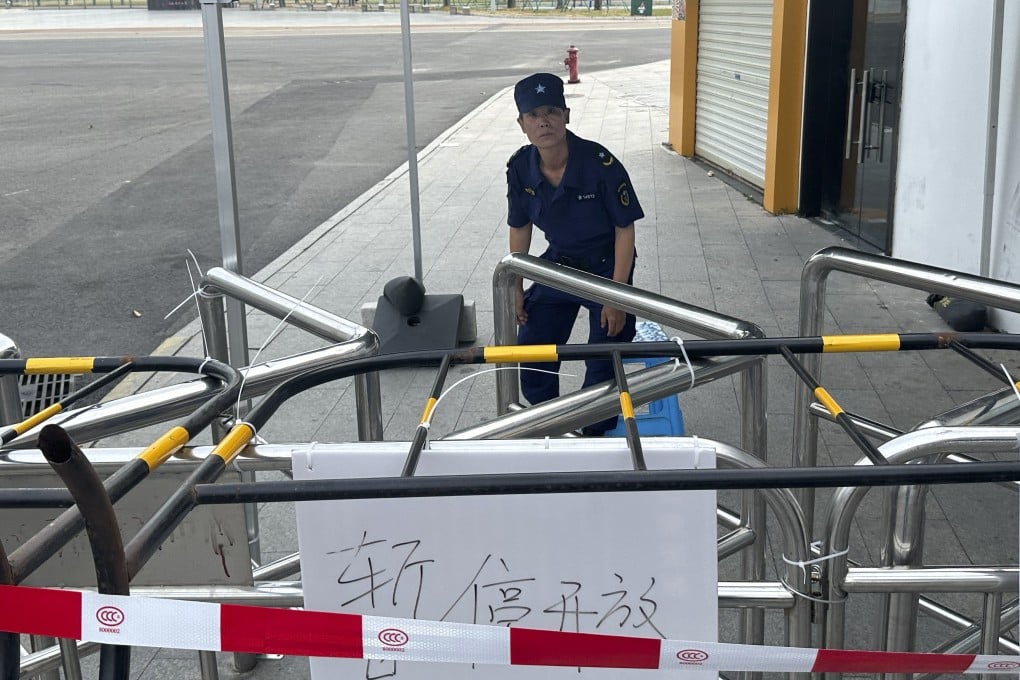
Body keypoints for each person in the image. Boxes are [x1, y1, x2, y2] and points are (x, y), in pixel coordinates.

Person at [505, 72, 644, 436]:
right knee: (532, 344)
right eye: (533, 115)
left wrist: (616, 296)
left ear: (566, 115)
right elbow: (520, 226)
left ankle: (593, 433)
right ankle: (546, 424)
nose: (544, 121)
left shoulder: (599, 164)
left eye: (551, 110)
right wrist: (516, 286)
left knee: (605, 354)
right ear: (522, 124)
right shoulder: (521, 168)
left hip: (606, 267)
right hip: (559, 266)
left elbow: (624, 229)